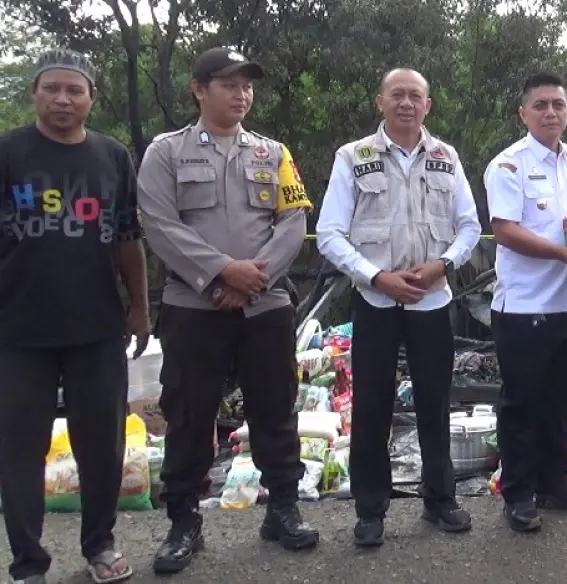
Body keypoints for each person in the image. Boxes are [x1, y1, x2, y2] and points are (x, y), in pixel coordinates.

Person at [137, 47, 318, 574]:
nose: (241, 94)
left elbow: (293, 222)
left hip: (265, 304)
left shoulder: (273, 152)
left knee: (275, 407)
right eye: (228, 85)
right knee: (189, 412)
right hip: (193, 304)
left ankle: (282, 508)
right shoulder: (166, 153)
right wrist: (220, 272)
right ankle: (183, 521)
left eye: (247, 86)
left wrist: (252, 277)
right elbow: (160, 225)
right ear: (199, 89)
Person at [0, 49, 148, 584]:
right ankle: (27, 563)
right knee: (19, 447)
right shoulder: (9, 152)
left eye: (74, 90)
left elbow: (128, 238)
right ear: (34, 93)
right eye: (52, 89)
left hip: (97, 327)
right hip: (17, 330)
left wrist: (139, 306)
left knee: (101, 445)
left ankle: (100, 546)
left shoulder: (111, 157)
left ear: (91, 98)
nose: (63, 99)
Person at [316, 69, 482, 546]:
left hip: (432, 299)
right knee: (372, 406)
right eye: (398, 95)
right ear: (380, 102)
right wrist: (376, 277)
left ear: (428, 105)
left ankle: (440, 500)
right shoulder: (354, 157)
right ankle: (370, 510)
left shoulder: (445, 158)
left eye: (416, 96)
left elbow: (470, 226)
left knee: (434, 403)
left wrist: (442, 266)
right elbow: (329, 232)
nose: (407, 103)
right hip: (375, 299)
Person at [483, 71, 567, 532]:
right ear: (523, 114)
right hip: (523, 309)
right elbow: (506, 231)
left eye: (558, 104)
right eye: (540, 105)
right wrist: (561, 253)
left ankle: (555, 483)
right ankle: (518, 493)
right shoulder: (508, 165)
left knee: (562, 400)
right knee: (522, 404)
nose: (550, 112)